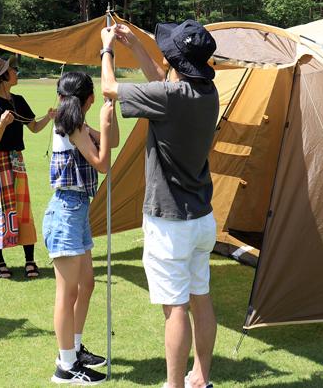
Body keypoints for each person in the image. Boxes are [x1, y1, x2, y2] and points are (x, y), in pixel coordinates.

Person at [100, 20, 219, 388]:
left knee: (175, 308)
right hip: (201, 217)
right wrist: (135, 46)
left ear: (178, 64)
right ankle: (200, 378)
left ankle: (175, 385)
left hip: (170, 223)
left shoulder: (170, 99)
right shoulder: (206, 92)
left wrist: (107, 49)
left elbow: (109, 88)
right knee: (200, 298)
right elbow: (162, 85)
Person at [43, 71, 119, 385]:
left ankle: (73, 350)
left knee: (86, 285)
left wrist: (109, 112)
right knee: (67, 291)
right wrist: (101, 118)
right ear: (87, 100)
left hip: (77, 211)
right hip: (66, 211)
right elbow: (103, 163)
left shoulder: (76, 122)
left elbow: (111, 140)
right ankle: (65, 366)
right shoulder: (70, 125)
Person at [0, 55, 55, 279]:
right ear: (2, 77)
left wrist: (49, 117)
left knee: (22, 209)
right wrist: (2, 124)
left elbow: (34, 127)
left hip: (16, 159)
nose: (16, 72)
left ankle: (29, 260)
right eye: (13, 70)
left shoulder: (18, 100)